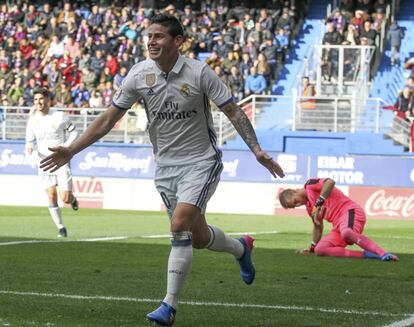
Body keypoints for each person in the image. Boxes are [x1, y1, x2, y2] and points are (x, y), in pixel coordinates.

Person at [40, 14, 285, 326]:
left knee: (179, 225)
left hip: (201, 162)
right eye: (149, 36)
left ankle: (168, 307)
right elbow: (108, 119)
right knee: (197, 237)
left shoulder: (200, 72)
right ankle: (241, 249)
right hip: (166, 167)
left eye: (159, 36)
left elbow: (233, 110)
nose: (151, 42)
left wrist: (256, 149)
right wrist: (71, 149)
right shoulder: (139, 75)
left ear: (177, 42)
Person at [279, 178, 398, 262]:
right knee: (320, 250)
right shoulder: (309, 208)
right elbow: (318, 227)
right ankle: (370, 255)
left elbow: (330, 182)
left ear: (294, 191)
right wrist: (312, 247)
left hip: (351, 211)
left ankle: (384, 253)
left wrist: (319, 201)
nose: (298, 204)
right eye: (295, 206)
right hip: (339, 226)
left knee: (346, 232)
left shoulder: (310, 185)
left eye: (295, 201)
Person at [25, 88, 79, 238]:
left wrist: (66, 147)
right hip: (44, 162)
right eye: (36, 100)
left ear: (49, 100)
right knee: (52, 195)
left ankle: (73, 199)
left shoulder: (59, 116)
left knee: (65, 198)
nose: (38, 102)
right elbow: (29, 142)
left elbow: (75, 132)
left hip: (61, 161)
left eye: (41, 99)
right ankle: (61, 228)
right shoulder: (32, 121)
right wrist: (29, 148)